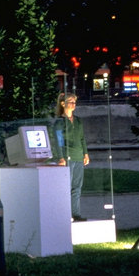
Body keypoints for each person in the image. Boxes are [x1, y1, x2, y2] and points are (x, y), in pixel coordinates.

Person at [54, 92, 90, 222]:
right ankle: (64, 215)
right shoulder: (59, 122)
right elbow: (58, 141)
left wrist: (85, 153)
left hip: (78, 156)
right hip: (67, 157)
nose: (73, 104)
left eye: (74, 102)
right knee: (66, 188)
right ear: (63, 103)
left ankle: (76, 214)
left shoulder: (78, 120)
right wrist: (61, 157)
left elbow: (82, 138)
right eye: (70, 101)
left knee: (77, 187)